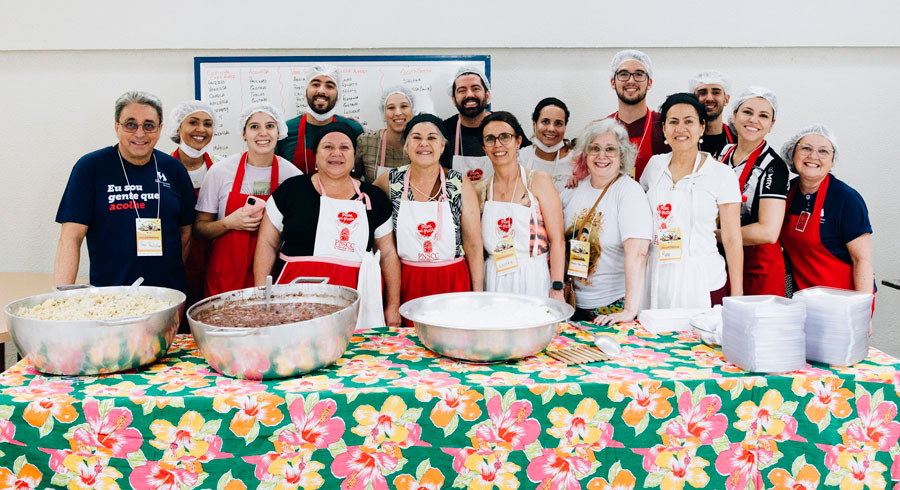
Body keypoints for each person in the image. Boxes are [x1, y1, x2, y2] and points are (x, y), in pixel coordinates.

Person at [255, 122, 402, 326]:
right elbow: (267, 244)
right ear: (315, 155)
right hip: (293, 296)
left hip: (355, 298)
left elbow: (387, 254)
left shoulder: (374, 198)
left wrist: (392, 307)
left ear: (353, 156)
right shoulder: (291, 191)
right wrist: (263, 296)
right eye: (328, 147)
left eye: (344, 147)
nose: (336, 153)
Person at [54, 91, 195, 294]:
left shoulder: (174, 169)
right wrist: (61, 298)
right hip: (110, 298)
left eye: (148, 125)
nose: (140, 133)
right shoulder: (91, 168)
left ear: (160, 128)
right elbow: (70, 237)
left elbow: (186, 233)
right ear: (116, 127)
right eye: (130, 124)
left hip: (168, 296)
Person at [374, 114, 484, 326]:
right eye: (416, 138)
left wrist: (477, 295)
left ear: (442, 146)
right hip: (406, 280)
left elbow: (473, 243)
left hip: (452, 279)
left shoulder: (459, 183)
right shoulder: (389, 182)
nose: (424, 143)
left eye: (432, 138)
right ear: (406, 147)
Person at [640, 93, 743, 308]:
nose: (681, 129)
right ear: (664, 129)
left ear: (702, 128)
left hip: (704, 280)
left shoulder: (721, 174)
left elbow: (732, 238)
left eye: (689, 121)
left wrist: (737, 294)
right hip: (657, 276)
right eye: (673, 122)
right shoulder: (654, 166)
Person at [194, 103, 301, 297]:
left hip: (272, 276)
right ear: (244, 133)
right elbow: (200, 228)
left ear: (279, 132)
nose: (263, 133)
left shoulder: (292, 176)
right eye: (254, 127)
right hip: (224, 277)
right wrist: (228, 223)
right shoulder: (220, 171)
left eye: (270, 126)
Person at [561, 119, 651, 324]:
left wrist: (629, 310)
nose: (602, 155)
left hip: (611, 308)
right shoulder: (573, 189)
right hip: (573, 304)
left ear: (622, 155)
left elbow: (638, 254)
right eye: (595, 148)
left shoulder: (629, 192)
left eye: (610, 149)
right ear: (585, 153)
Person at [476, 111, 565, 300]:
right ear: (484, 147)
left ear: (518, 141)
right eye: (490, 139)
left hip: (533, 275)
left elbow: (558, 240)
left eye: (505, 137)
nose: (498, 144)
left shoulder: (538, 181)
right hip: (494, 277)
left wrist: (557, 287)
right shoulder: (480, 190)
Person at [779, 124, 873, 295]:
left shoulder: (846, 199)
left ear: (832, 161)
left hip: (843, 300)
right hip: (803, 296)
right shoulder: (785, 193)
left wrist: (862, 310)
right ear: (792, 154)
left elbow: (862, 260)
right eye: (806, 148)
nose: (813, 156)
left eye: (823, 151)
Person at [716, 87, 790, 296]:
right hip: (723, 263)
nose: (754, 120)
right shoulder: (721, 154)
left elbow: (768, 232)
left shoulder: (774, 167)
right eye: (748, 112)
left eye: (763, 116)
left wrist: (714, 236)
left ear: (771, 125)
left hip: (758, 270)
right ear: (735, 115)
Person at [168, 100, 219, 305]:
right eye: (193, 122)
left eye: (208, 124)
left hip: (213, 258)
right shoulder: (162, 169)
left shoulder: (221, 167)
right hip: (176, 256)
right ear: (178, 127)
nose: (201, 129)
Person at [275, 63, 364, 173]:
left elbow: (359, 175)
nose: (321, 91)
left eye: (329, 86)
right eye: (316, 84)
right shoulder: (285, 130)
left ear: (338, 93)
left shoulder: (353, 129)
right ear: (305, 90)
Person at [606, 49, 667, 181]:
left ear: (649, 82)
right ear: (613, 82)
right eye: (623, 74)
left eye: (639, 74)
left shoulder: (665, 126)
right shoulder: (602, 128)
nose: (631, 80)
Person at [441, 65, 494, 183]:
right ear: (454, 99)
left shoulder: (503, 126)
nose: (469, 95)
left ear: (487, 95)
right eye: (462, 90)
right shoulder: (444, 130)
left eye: (475, 88)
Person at [356, 85, 414, 182]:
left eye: (404, 106)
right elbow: (354, 178)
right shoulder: (366, 142)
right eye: (391, 108)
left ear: (412, 110)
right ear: (383, 113)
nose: (398, 112)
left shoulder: (420, 144)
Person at [519, 97, 575, 193]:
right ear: (534, 124)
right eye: (545, 121)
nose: (551, 129)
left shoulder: (576, 161)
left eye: (558, 123)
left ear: (565, 127)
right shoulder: (520, 158)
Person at [688, 70, 735, 156]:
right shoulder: (685, 138)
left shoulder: (738, 140)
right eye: (702, 93)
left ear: (726, 99)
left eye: (716, 92)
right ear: (693, 100)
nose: (709, 98)